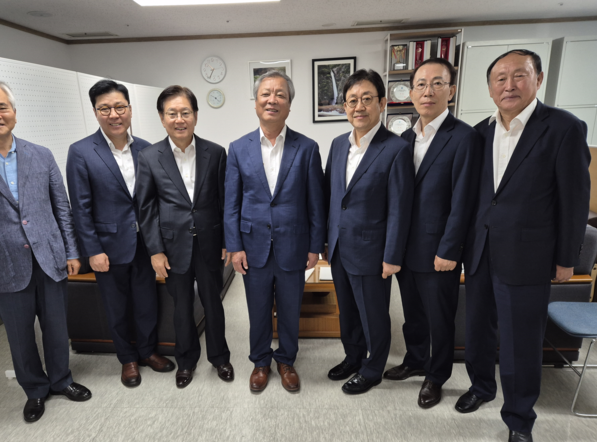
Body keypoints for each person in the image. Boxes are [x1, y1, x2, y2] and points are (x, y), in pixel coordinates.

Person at [458, 49, 591, 442]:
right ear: (489, 87)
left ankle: (519, 419)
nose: (509, 85)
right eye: (500, 78)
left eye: (519, 75)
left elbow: (574, 198)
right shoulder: (479, 132)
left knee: (520, 341)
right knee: (477, 329)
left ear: (538, 79)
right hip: (480, 250)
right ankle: (481, 387)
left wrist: (567, 258)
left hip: (528, 255)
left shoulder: (564, 128)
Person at [0, 77, 92, 423]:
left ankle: (62, 380)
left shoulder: (41, 154)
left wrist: (72, 252)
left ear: (13, 112)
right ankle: (35, 390)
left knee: (57, 328)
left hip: (50, 259)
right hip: (2, 265)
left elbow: (62, 208)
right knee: (20, 335)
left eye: (2, 107)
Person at [66, 80, 175, 388]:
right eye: (105, 109)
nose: (114, 115)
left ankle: (147, 352)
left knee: (146, 302)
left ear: (130, 109)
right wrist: (92, 250)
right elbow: (81, 208)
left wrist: (158, 244)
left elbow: (154, 200)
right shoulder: (81, 151)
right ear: (95, 112)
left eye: (119, 107)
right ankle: (127, 359)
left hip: (144, 244)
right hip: (107, 247)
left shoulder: (146, 148)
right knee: (116, 307)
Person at [386, 58, 481, 408]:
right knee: (412, 313)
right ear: (411, 93)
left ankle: (436, 375)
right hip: (406, 247)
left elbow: (463, 200)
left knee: (440, 318)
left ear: (450, 91)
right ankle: (415, 359)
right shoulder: (405, 137)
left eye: (437, 83)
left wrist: (450, 249)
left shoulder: (464, 137)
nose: (428, 91)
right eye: (421, 84)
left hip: (439, 250)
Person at [224, 70, 326, 393]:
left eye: (280, 94)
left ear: (289, 104)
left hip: (293, 244)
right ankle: (260, 361)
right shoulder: (238, 148)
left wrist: (315, 245)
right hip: (252, 245)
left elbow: (316, 202)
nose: (272, 100)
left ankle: (286, 360)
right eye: (265, 94)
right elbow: (231, 203)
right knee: (257, 310)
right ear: (255, 103)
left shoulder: (307, 147)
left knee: (290, 309)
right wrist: (234, 246)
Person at [323, 69, 414, 395]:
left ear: (382, 103)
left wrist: (392, 256)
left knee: (373, 314)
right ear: (345, 107)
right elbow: (331, 196)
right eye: (352, 101)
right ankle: (353, 357)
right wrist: (325, 240)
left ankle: (373, 368)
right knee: (347, 311)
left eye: (366, 99)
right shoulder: (337, 145)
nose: (358, 107)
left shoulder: (396, 148)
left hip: (373, 251)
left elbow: (400, 208)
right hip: (338, 247)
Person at [136, 85, 233, 389]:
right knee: (181, 308)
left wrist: (227, 241)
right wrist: (155, 250)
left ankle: (220, 358)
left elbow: (224, 201)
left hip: (209, 243)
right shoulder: (149, 157)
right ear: (162, 118)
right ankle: (186, 362)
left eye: (185, 112)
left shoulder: (215, 152)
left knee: (213, 304)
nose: (179, 119)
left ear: (196, 115)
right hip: (172, 247)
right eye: (172, 113)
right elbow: (146, 208)